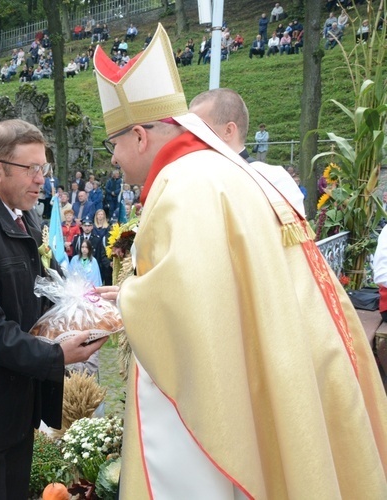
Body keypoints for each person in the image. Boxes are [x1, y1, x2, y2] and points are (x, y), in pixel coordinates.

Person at [93, 23, 387, 498]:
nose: (115, 160)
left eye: (114, 145)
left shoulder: (182, 187)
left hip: (222, 401)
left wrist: (124, 301)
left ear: (142, 136)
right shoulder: (226, 170)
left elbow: (190, 308)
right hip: (283, 360)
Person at [0, 119, 107, 500]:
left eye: (43, 169)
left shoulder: (20, 215)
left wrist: (91, 302)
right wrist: (52, 355)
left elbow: (41, 287)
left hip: (14, 403)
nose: (41, 180)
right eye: (31, 169)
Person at [189, 88, 305, 216]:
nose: (188, 138)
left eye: (198, 130)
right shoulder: (190, 179)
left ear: (228, 131)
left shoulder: (272, 180)